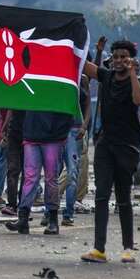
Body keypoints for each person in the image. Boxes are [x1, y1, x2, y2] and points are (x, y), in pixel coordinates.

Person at [79, 38, 140, 264]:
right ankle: (99, 249)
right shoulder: (107, 76)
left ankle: (129, 248)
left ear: (131, 58)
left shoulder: (138, 80)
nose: (118, 61)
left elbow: (139, 100)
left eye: (123, 57)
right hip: (105, 144)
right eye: (115, 57)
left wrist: (133, 72)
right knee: (101, 196)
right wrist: (78, 42)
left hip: (127, 146)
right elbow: (85, 66)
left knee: (123, 198)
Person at [5, 110, 73, 236]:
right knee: (32, 178)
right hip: (34, 133)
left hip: (51, 134)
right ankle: (24, 218)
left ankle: (51, 219)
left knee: (50, 178)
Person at [58, 75, 92, 226]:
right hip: (58, 130)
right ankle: (49, 211)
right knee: (53, 172)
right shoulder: (59, 75)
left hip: (75, 130)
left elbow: (88, 106)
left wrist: (84, 126)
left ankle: (68, 213)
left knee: (72, 172)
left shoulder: (82, 78)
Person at [1, 110, 25, 216]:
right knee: (13, 170)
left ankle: (20, 205)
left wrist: (5, 128)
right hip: (16, 133)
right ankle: (13, 204)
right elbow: (11, 110)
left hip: (27, 134)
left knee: (23, 172)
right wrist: (5, 128)